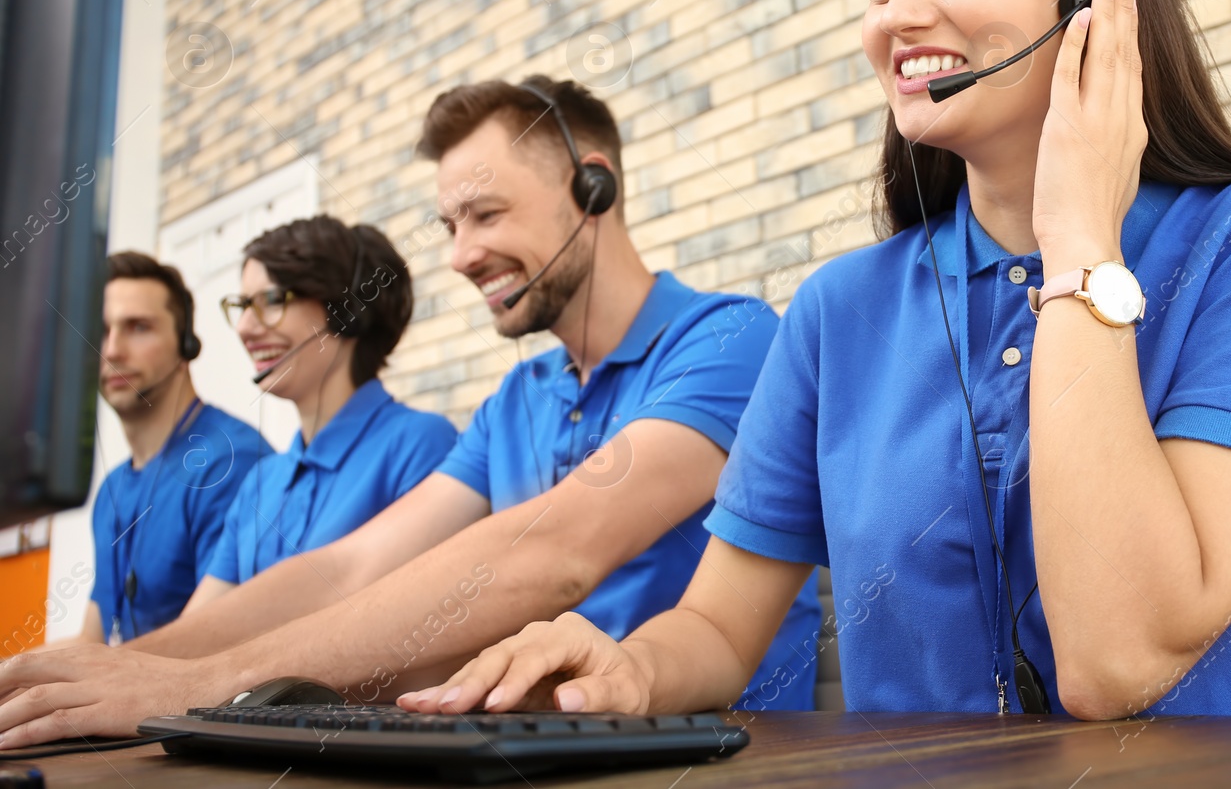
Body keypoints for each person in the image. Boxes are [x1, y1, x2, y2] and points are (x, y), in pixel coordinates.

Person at [395, 0, 1231, 722]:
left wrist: (1079, 239)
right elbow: (718, 625)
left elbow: (1115, 659)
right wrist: (631, 666)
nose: (900, 14)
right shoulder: (840, 310)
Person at [0, 76, 820, 747]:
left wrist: (202, 684)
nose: (460, 254)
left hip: (714, 753)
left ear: (591, 186)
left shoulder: (730, 339)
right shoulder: (517, 399)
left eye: (487, 214)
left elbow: (558, 549)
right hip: (535, 749)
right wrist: (123, 669)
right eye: (450, 224)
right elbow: (350, 566)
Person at [185, 217, 458, 608]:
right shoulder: (261, 482)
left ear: (344, 309)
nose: (245, 327)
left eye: (273, 300)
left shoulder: (419, 445)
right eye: (243, 306)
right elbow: (201, 628)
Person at [79, 253, 270, 644]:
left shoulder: (230, 462)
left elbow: (213, 643)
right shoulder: (111, 488)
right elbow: (91, 642)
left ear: (186, 345)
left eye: (138, 327)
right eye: (101, 331)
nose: (112, 351)